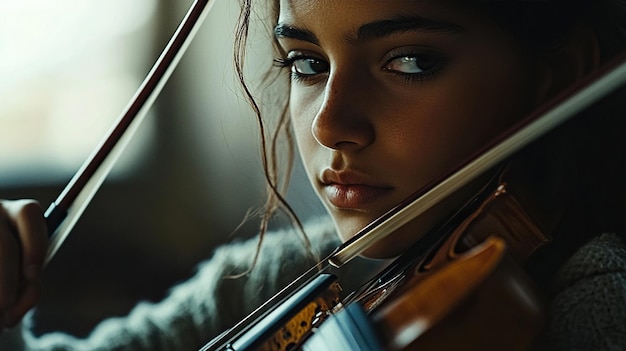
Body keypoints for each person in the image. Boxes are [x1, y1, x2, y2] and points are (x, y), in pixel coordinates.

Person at [1, 0, 625, 349]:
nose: (330, 124)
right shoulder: (280, 280)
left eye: (409, 61)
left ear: (557, 78)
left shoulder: (598, 305)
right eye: (307, 64)